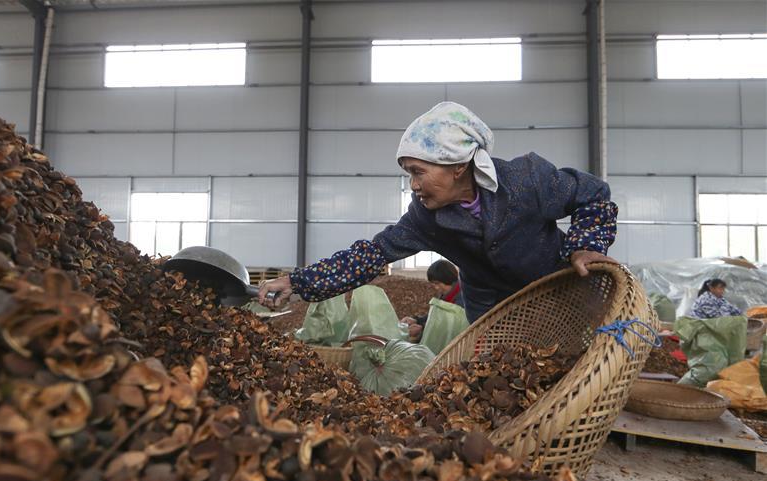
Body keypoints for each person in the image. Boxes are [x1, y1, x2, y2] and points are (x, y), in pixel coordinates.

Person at [259, 101, 619, 321]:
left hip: (561, 285)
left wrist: (585, 245)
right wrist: (297, 281)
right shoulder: (424, 217)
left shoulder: (526, 179)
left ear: (457, 166)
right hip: (492, 308)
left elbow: (593, 195)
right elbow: (369, 255)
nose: (413, 185)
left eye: (418, 172)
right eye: (409, 174)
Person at [401, 259, 462, 341]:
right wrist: (416, 320)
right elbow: (435, 316)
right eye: (433, 284)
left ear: (447, 278)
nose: (436, 287)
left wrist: (422, 327)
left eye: (437, 283)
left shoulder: (461, 298)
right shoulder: (445, 295)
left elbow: (450, 325)